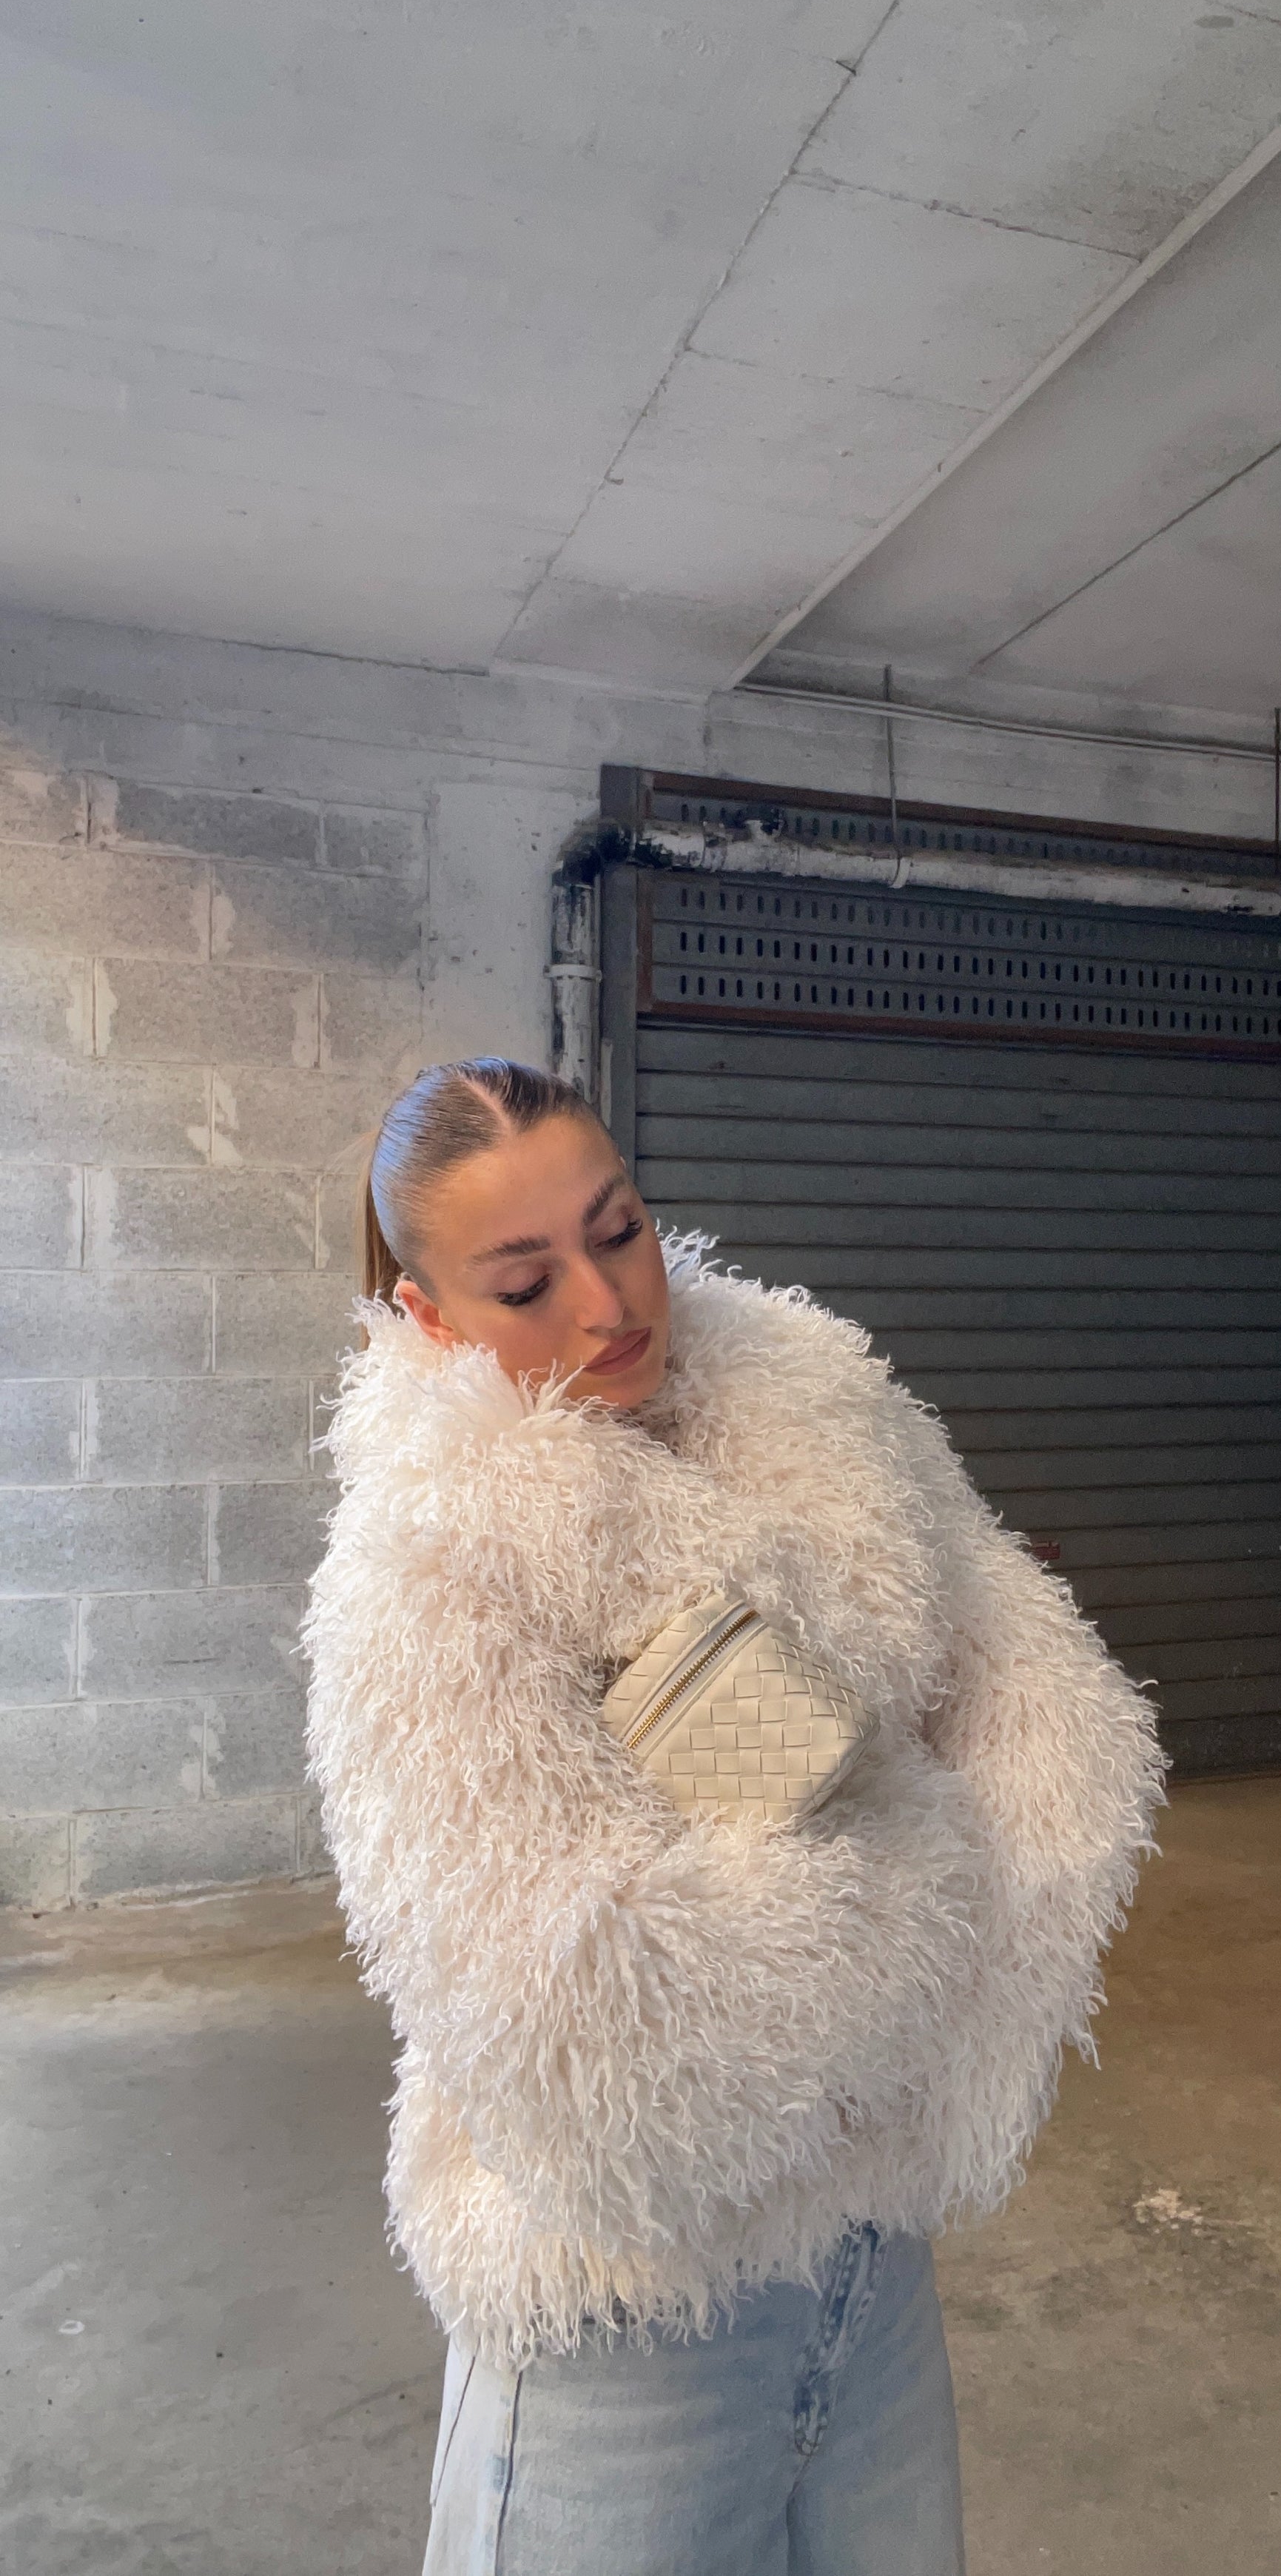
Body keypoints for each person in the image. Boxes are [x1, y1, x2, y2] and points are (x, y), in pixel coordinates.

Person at [304, 1056, 1162, 2576]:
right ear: (428, 1314)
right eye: (527, 1281)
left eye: (619, 1228)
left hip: (866, 2253)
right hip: (620, 2317)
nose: (607, 1302)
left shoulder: (814, 1406)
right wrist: (920, 1860)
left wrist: (852, 1840)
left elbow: (1044, 1713)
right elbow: (580, 2040)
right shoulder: (429, 1572)